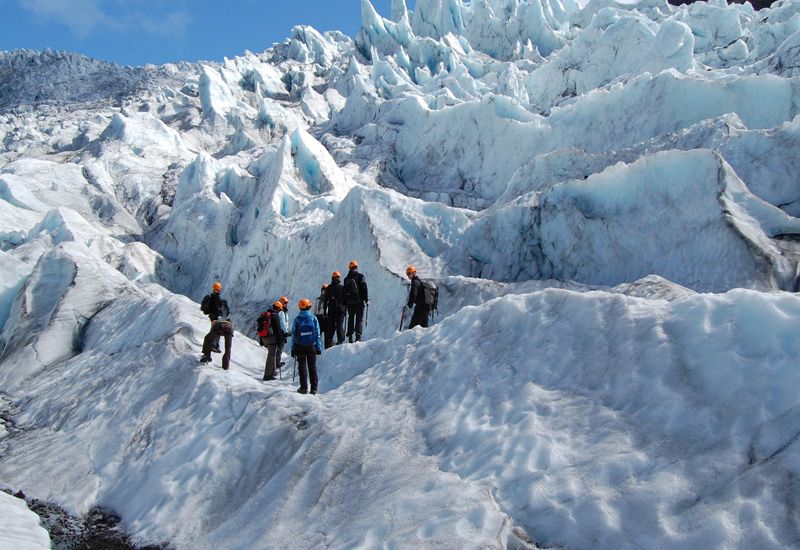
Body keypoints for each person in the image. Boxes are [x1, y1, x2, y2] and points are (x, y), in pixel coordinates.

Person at [291, 298, 322, 395]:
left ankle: (304, 388)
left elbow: (294, 334)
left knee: (302, 367)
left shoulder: (297, 319)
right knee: (312, 367)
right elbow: (317, 334)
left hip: (300, 346)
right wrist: (318, 347)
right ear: (309, 307)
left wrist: (293, 348)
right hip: (311, 346)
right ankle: (314, 389)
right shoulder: (313, 318)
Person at [343, 260, 369, 343]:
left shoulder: (346, 279)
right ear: (357, 267)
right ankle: (358, 337)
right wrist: (366, 299)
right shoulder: (360, 276)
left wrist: (344, 303)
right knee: (359, 319)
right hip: (359, 302)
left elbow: (344, 292)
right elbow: (364, 288)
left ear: (349, 268)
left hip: (350, 303)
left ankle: (350, 337)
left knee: (351, 318)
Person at [201, 281, 228, 352]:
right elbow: (216, 308)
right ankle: (214, 345)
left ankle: (212, 344)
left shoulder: (212, 296)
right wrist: (219, 315)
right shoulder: (216, 297)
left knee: (214, 329)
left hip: (212, 315)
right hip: (215, 316)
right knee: (217, 330)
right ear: (219, 289)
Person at [261, 301, 285, 381]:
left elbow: (260, 327)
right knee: (271, 356)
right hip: (271, 338)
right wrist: (280, 341)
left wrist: (261, 340)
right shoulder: (275, 316)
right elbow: (277, 330)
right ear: (278, 309)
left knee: (272, 354)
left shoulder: (266, 315)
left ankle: (272, 371)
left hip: (264, 338)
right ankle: (267, 375)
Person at [324, 271, 345, 347]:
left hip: (331, 309)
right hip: (340, 308)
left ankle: (329, 342)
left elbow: (325, 300)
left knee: (331, 326)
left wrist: (325, 311)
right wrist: (345, 308)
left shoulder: (329, 288)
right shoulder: (341, 287)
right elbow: (345, 299)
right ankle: (340, 340)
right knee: (340, 324)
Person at [315, 283, 330, 349]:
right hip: (319, 317)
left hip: (326, 317)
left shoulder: (329, 300)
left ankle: (327, 348)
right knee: (318, 334)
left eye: (326, 290)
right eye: (323, 290)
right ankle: (318, 348)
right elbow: (315, 309)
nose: (324, 291)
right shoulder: (317, 300)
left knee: (327, 334)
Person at [278, 296, 290, 371]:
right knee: (279, 348)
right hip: (281, 333)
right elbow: (282, 323)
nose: (286, 304)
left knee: (280, 348)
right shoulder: (282, 312)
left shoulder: (284, 312)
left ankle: (277, 362)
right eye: (285, 303)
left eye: (286, 303)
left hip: (282, 332)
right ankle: (277, 363)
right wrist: (286, 332)